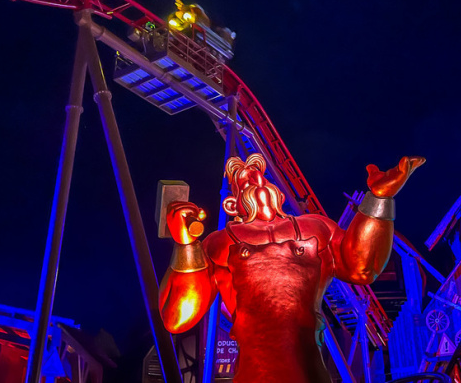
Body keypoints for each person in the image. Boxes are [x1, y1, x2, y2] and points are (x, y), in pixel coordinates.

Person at [159, 153, 424, 383]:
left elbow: (362, 268)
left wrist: (378, 200)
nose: (257, 181)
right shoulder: (218, 243)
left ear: (279, 192)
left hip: (310, 371)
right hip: (254, 373)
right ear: (232, 203)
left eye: (259, 175)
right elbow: (178, 318)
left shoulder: (317, 228)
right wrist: (186, 245)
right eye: (245, 179)